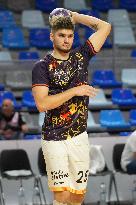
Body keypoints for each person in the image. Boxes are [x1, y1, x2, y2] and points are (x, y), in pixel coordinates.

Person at [32, 9, 111, 205]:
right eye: (61, 35)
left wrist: (75, 17)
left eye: (69, 36)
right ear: (52, 36)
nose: (66, 40)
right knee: (62, 195)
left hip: (79, 136)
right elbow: (42, 104)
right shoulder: (42, 66)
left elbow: (105, 27)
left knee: (77, 196)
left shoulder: (81, 57)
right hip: (54, 137)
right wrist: (75, 91)